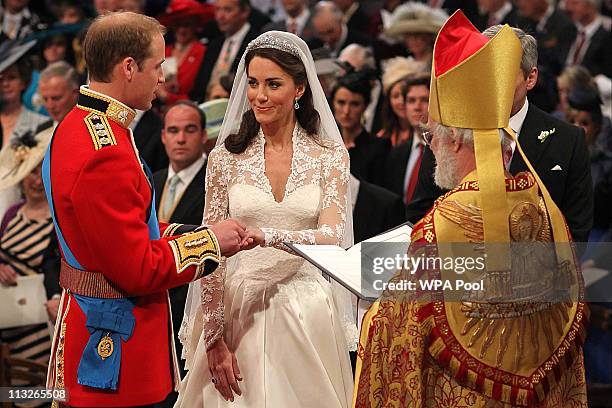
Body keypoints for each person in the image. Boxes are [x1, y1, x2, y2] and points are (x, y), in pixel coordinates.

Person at [355, 11, 588, 406]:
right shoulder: (539, 202)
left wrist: (370, 310)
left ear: (458, 142)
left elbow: (399, 326)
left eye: (434, 136)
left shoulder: (444, 224)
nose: (430, 146)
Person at [42, 12, 250, 407]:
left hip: (91, 322)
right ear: (128, 67)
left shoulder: (77, 124)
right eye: (157, 65)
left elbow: (126, 227)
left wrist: (188, 230)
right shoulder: (105, 152)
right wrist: (209, 244)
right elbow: (138, 267)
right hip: (113, 342)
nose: (163, 77)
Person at [176, 31, 355, 407]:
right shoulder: (224, 158)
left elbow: (332, 236)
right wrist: (212, 336)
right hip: (238, 306)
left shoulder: (330, 156)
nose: (259, 95)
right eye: (253, 83)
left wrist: (268, 236)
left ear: (299, 89)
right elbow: (211, 251)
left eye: (273, 84)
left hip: (305, 309)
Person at [406, 25, 593, 244]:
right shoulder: (449, 133)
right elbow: (420, 212)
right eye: (482, 72)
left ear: (531, 78)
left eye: (500, 73)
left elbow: (577, 231)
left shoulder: (568, 140)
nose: (489, 84)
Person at [0, 126, 59, 384]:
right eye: (31, 171)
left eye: (41, 172)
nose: (36, 180)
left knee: (44, 393)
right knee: (10, 393)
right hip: (9, 324)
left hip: (44, 326)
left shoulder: (60, 219)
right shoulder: (12, 213)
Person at [189, 0, 259, 103]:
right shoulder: (214, 43)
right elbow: (199, 87)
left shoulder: (256, 44)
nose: (220, 16)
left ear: (245, 12)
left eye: (227, 10)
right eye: (217, 9)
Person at [331, 71, 390, 186]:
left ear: (365, 106)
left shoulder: (379, 147)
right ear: (333, 103)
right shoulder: (324, 143)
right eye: (341, 103)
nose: (346, 111)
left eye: (355, 104)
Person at [377, 57, 426, 147]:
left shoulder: (425, 136)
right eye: (395, 96)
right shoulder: (383, 136)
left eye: (407, 97)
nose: (401, 101)